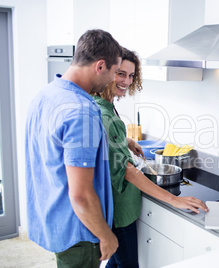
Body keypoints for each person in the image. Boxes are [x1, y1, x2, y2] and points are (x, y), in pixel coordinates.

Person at [92, 48, 209, 268]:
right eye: (121, 73)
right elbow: (128, 170)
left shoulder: (101, 105)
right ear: (107, 71)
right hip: (120, 210)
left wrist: (125, 141)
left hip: (114, 205)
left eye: (131, 75)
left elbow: (103, 139)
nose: (126, 81)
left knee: (117, 263)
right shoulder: (105, 113)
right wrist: (174, 199)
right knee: (127, 265)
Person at [25, 29, 123, 268]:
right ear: (100, 66)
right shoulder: (81, 110)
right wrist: (106, 235)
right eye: (114, 72)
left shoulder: (46, 94)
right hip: (80, 231)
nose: (113, 80)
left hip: (53, 218)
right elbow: (80, 194)